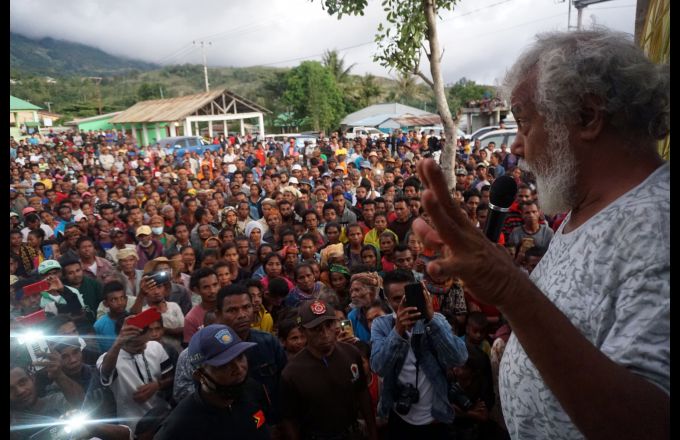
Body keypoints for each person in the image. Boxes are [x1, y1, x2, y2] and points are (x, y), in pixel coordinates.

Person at [412, 30, 669, 439]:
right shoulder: (582, 212)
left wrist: (512, 289)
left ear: (587, 117)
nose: (515, 145)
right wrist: (501, 289)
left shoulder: (658, 225)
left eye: (524, 122)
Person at [370, 270, 468, 438]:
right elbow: (379, 367)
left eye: (407, 296)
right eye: (396, 299)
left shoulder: (436, 320)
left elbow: (459, 358)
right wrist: (398, 330)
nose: (404, 303)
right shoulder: (382, 326)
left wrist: (431, 319)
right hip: (400, 416)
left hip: (435, 417)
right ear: (386, 300)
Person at [280, 299, 378, 440]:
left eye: (329, 325)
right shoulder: (292, 373)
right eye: (316, 329)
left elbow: (362, 394)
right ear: (303, 331)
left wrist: (372, 432)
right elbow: (289, 419)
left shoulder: (351, 353)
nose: (325, 333)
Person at [154, 324, 271, 439]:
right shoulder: (179, 427)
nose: (239, 369)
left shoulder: (254, 390)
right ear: (200, 375)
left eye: (240, 357)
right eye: (224, 365)